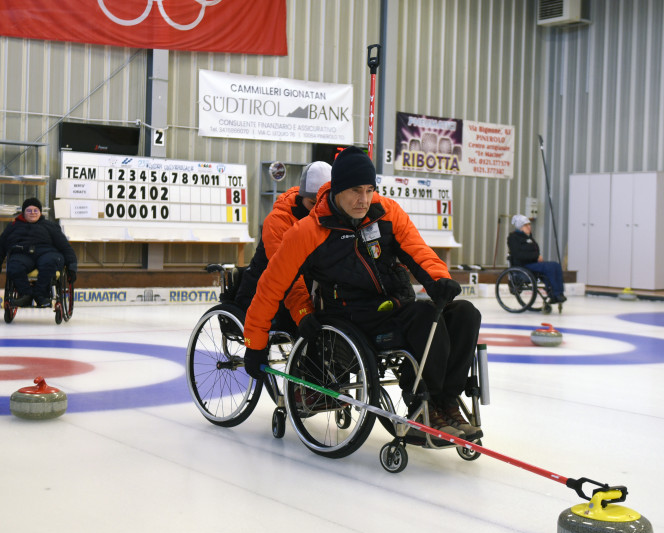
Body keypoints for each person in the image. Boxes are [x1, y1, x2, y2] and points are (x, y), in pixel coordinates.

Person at [242, 146, 481, 438]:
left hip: (395, 306)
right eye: (356, 190)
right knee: (424, 316)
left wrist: (438, 280)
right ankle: (425, 402)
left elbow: (417, 250)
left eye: (369, 190)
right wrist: (254, 345)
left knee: (465, 313)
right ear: (338, 189)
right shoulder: (307, 232)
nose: (364, 199)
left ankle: (447, 400)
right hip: (352, 316)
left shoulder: (386, 212)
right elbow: (271, 287)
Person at [234, 161, 332, 332]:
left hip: (304, 294)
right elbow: (286, 276)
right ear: (301, 197)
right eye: (311, 203)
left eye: (322, 203)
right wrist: (303, 312)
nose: (315, 211)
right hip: (262, 296)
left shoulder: (327, 218)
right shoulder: (278, 222)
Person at [0, 197, 78, 308]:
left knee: (50, 262)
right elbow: (1, 245)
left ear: (40, 212)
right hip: (22, 253)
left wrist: (72, 267)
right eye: (29, 210)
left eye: (35, 210)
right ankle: (26, 295)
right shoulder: (13, 226)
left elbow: (65, 247)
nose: (32, 213)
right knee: (14, 265)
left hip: (47, 253)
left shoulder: (50, 226)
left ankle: (41, 296)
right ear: (23, 213)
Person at [507, 214, 566, 304]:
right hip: (523, 265)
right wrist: (535, 256)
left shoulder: (528, 237)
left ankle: (559, 293)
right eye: (526, 225)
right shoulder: (513, 238)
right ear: (520, 226)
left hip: (533, 264)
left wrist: (536, 256)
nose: (529, 227)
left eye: (529, 224)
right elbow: (518, 254)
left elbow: (535, 250)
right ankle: (556, 294)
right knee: (549, 267)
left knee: (556, 265)